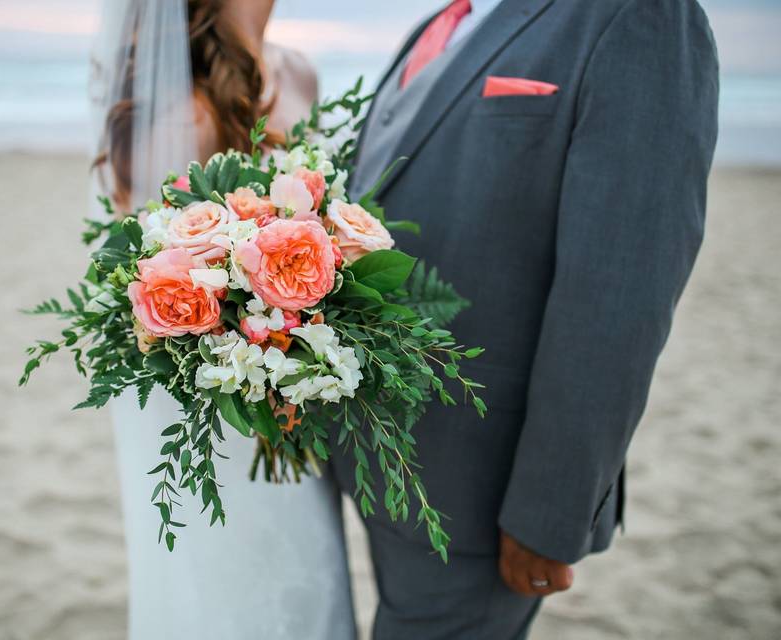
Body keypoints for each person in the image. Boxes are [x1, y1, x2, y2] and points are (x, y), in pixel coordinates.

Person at [331, 0, 719, 637]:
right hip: (381, 458)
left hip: (484, 495)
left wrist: (552, 510)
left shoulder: (642, 16)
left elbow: (619, 293)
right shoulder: (437, 27)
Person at [88, 1, 356, 638]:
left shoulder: (301, 73)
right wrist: (252, 333)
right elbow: (148, 276)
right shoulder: (182, 106)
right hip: (219, 403)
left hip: (295, 396)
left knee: (309, 570)